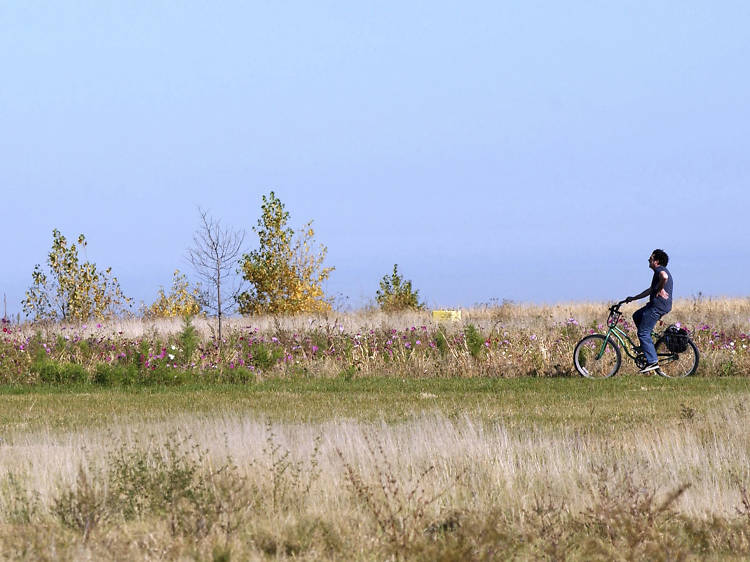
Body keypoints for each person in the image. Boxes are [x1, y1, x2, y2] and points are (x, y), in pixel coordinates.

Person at [624, 249, 673, 372]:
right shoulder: (657, 273)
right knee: (637, 315)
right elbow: (650, 290)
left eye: (650, 258)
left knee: (643, 333)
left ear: (656, 261)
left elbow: (664, 277)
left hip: (657, 306)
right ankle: (647, 346)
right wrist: (633, 298)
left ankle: (652, 362)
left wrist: (661, 289)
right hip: (656, 305)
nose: (648, 260)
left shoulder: (659, 270)